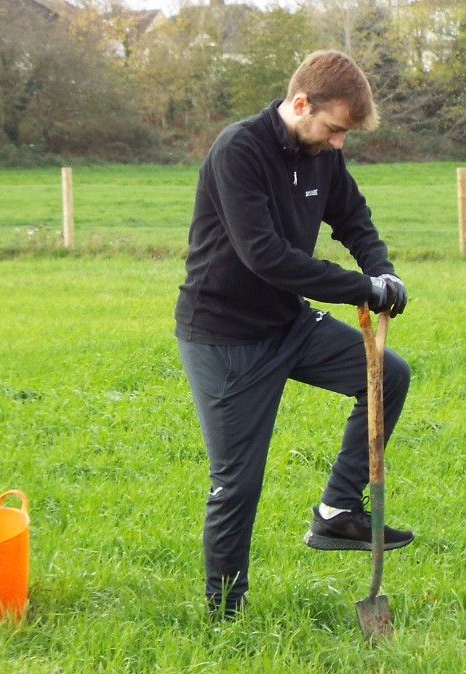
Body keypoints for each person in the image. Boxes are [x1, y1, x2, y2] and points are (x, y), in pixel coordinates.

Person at [174, 50, 413, 618]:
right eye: (334, 129)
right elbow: (266, 257)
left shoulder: (323, 157)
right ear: (301, 104)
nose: (338, 144)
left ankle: (336, 512)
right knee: (237, 483)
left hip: (287, 323)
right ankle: (224, 613)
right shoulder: (240, 150)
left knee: (387, 375)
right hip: (223, 337)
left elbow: (352, 218)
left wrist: (382, 271)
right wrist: (361, 288)